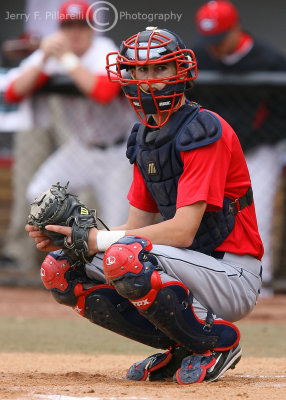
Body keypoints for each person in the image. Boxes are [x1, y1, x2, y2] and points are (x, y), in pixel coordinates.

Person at [26, 27, 263, 385]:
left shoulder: (203, 129)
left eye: (159, 69)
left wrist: (97, 241)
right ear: (127, 75)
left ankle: (216, 343)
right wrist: (72, 238)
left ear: (180, 71)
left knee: (124, 257)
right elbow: (134, 227)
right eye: (139, 71)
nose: (148, 81)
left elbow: (182, 231)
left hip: (230, 273)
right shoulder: (145, 136)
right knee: (59, 268)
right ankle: (183, 344)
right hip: (187, 267)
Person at [1, 0, 134, 272]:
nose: (75, 32)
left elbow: (103, 92)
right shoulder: (54, 50)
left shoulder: (102, 50)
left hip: (117, 155)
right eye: (68, 26)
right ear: (60, 28)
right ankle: (78, 245)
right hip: (81, 149)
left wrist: (66, 59)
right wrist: (44, 60)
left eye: (81, 25)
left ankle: (116, 278)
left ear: (92, 28)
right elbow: (14, 91)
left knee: (119, 229)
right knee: (38, 192)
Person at [192, 0, 286, 293]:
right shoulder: (199, 58)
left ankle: (263, 284)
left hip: (257, 151)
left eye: (219, 39)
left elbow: (281, 114)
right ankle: (209, 283)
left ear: (235, 29)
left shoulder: (268, 59)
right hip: (213, 153)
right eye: (210, 40)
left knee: (257, 218)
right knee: (203, 216)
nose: (214, 47)